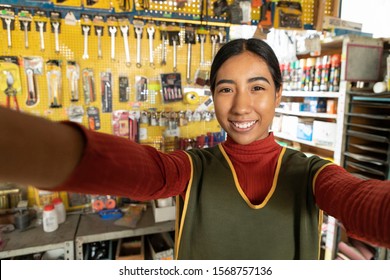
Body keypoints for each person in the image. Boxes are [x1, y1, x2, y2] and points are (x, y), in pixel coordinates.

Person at [0, 38, 389, 259]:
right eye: (225, 89)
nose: (240, 106)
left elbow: (360, 200)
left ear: (278, 95)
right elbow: (142, 171)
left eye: (257, 87)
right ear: (213, 96)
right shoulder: (192, 167)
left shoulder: (312, 173)